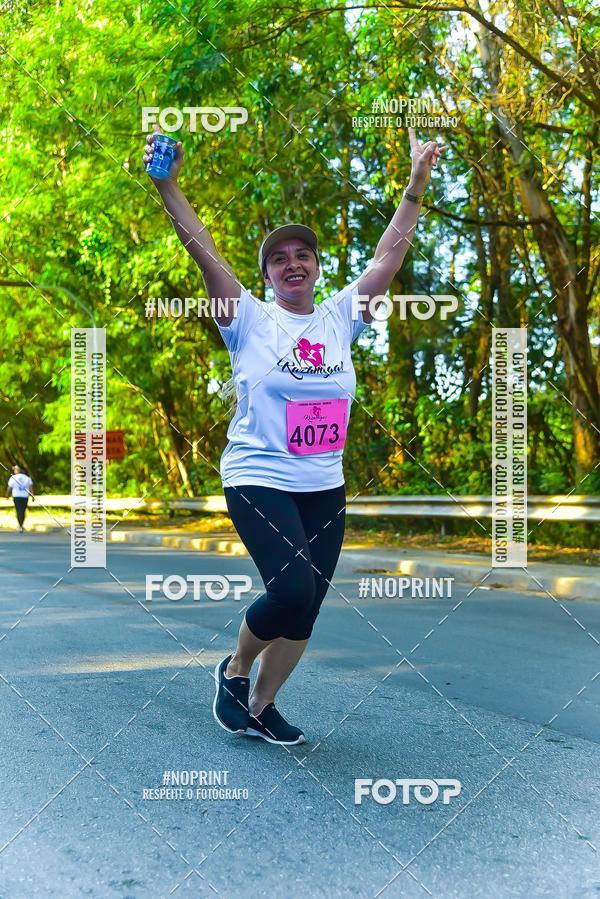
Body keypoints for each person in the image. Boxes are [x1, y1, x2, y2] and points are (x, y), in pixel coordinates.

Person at [144, 125, 444, 745]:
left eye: (302, 254)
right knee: (291, 588)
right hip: (257, 474)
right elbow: (202, 248)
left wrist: (415, 185)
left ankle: (262, 706)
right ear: (266, 276)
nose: (292, 263)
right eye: (279, 258)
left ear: (316, 267)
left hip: (323, 482)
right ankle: (234, 670)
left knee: (307, 606)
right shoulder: (248, 319)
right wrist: (168, 186)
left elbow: (388, 256)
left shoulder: (339, 317)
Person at [6, 465, 34, 532]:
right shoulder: (27, 478)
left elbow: (9, 488)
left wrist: (7, 495)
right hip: (25, 496)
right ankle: (21, 525)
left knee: (18, 511)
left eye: (15, 469)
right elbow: (31, 488)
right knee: (23, 511)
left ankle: (20, 525)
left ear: (19, 470)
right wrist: (32, 496)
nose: (14, 470)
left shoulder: (13, 477)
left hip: (17, 496)